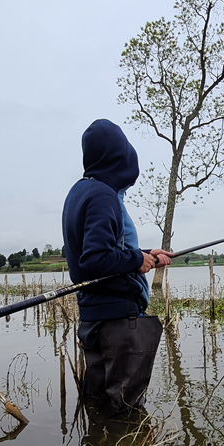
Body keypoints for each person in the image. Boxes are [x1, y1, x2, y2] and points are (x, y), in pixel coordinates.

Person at [62, 119, 172, 418]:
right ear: (121, 158)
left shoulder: (78, 193)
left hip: (94, 317)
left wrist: (145, 253)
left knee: (99, 406)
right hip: (118, 322)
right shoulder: (103, 195)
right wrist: (137, 261)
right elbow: (95, 259)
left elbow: (98, 252)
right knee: (126, 410)